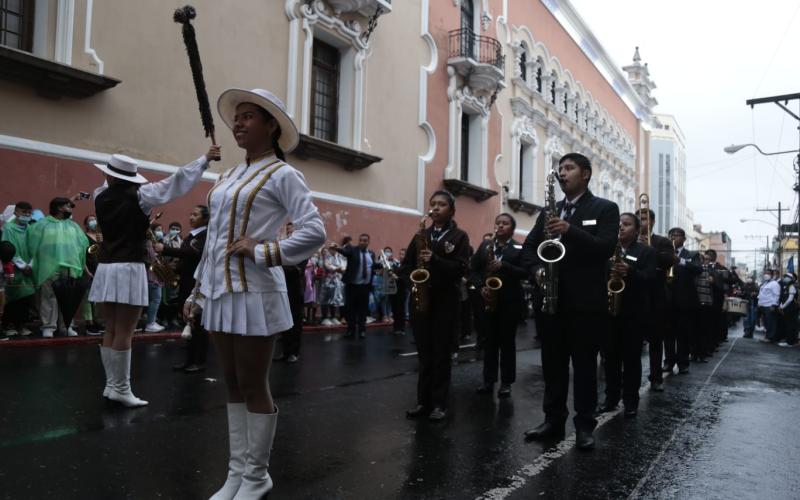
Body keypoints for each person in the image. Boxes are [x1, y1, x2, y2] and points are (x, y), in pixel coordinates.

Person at [190, 88, 325, 499]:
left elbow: (314, 230)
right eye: (238, 117)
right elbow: (213, 237)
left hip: (255, 291)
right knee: (230, 381)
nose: (240, 123)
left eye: (250, 116)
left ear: (271, 126)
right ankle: (236, 474)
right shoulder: (228, 175)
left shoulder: (284, 174)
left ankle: (256, 476)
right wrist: (197, 288)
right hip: (219, 291)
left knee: (253, 383)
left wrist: (264, 250)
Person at [90, 149, 217, 407]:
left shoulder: (99, 196)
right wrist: (204, 160)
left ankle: (111, 386)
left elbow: (109, 182)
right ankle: (121, 389)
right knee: (125, 331)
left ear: (110, 175)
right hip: (130, 266)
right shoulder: (142, 197)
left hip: (106, 267)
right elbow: (176, 182)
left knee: (111, 329)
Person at [520, 153, 619, 450]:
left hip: (585, 303)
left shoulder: (604, 208)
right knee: (553, 365)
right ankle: (552, 421)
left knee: (585, 366)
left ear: (585, 174)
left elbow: (604, 248)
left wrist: (570, 230)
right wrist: (536, 270)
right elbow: (528, 249)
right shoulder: (548, 212)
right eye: (560, 169)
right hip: (551, 301)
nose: (563, 173)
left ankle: (585, 425)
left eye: (569, 168)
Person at [402, 190, 469, 421]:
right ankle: (423, 402)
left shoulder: (459, 236)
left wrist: (436, 260)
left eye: (441, 204)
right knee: (424, 355)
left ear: (451, 210)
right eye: (433, 204)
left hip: (445, 303)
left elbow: (461, 268)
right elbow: (406, 266)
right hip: (422, 301)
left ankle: (439, 404)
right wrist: (412, 278)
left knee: (441, 354)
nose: (436, 208)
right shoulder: (421, 235)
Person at [599, 213, 655, 417]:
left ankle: (630, 401)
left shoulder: (646, 252)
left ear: (637, 230)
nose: (621, 227)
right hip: (609, 311)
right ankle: (611, 398)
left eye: (627, 224)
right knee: (609, 358)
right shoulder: (607, 249)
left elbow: (650, 278)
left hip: (633, 313)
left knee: (631, 359)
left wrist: (630, 271)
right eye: (619, 223)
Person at [471, 213, 527, 398]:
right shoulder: (486, 245)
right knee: (489, 342)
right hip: (488, 298)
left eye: (505, 223)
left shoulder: (519, 247)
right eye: (498, 223)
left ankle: (506, 383)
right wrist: (480, 288)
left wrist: (504, 266)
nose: (500, 226)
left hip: (510, 301)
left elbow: (525, 272)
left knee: (507, 343)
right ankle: (488, 380)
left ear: (512, 228)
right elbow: (474, 270)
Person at [27, 197, 90, 338]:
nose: (70, 209)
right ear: (60, 208)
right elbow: (32, 244)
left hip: (70, 267)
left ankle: (67, 325)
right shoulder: (42, 225)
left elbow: (82, 245)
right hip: (49, 267)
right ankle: (48, 327)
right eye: (68, 206)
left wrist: (81, 265)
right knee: (49, 296)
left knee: (68, 297)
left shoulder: (73, 226)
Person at [157, 205, 209, 372]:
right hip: (185, 283)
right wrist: (171, 271)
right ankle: (189, 359)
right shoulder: (192, 235)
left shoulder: (205, 235)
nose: (191, 217)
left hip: (197, 283)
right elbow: (185, 259)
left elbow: (191, 253)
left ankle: (198, 361)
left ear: (205, 219)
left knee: (198, 324)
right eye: (191, 214)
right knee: (188, 321)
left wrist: (165, 248)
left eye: (195, 214)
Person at [638, 208, 674, 392]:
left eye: (644, 218)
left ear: (652, 222)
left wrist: (650, 249)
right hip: (635, 296)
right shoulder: (629, 240)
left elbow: (669, 261)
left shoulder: (663, 241)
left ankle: (656, 377)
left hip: (655, 297)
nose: (641, 222)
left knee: (655, 341)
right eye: (639, 218)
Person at [663, 227, 701, 375]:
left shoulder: (692, 254)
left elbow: (698, 269)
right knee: (668, 334)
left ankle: (683, 363)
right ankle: (668, 362)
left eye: (676, 235)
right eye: (670, 234)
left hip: (685, 301)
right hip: (667, 299)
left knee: (683, 334)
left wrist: (681, 261)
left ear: (684, 239)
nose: (673, 237)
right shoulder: (664, 253)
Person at [333, 233, 378, 338]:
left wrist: (381, 264)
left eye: (365, 240)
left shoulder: (371, 254)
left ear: (368, 242)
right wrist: (337, 249)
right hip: (352, 286)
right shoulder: (353, 250)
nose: (362, 242)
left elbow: (372, 266)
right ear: (359, 241)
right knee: (351, 310)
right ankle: (350, 331)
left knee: (363, 311)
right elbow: (345, 252)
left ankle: (362, 331)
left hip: (365, 286)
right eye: (361, 240)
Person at [1, 202, 35, 337]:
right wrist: (22, 265)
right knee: (13, 297)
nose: (26, 215)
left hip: (29, 268)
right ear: (16, 212)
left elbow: (35, 248)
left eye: (29, 212)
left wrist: (31, 265)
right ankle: (8, 324)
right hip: (14, 268)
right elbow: (7, 248)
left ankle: (22, 325)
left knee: (26, 298)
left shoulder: (31, 228)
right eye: (23, 212)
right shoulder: (8, 229)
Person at [82, 214, 104, 335]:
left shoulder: (100, 237)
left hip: (100, 270)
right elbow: (82, 256)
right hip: (89, 270)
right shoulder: (84, 237)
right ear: (85, 225)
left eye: (94, 220)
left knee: (97, 298)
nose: (93, 222)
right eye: (90, 220)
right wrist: (86, 271)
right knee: (87, 297)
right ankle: (89, 323)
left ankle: (96, 320)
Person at [144, 223, 166, 333]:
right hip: (152, 275)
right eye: (157, 229)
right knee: (156, 299)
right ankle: (150, 323)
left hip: (152, 275)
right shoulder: (148, 243)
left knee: (152, 299)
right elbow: (152, 259)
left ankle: (151, 321)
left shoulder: (153, 243)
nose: (159, 232)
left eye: (161, 229)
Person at [319, 245, 346, 326]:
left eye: (335, 249)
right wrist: (337, 269)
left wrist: (340, 269)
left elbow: (344, 267)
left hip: (337, 282)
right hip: (327, 281)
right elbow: (328, 266)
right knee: (325, 299)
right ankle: (324, 318)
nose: (334, 250)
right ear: (330, 249)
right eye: (332, 249)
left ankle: (333, 317)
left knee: (335, 299)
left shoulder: (340, 257)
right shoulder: (326, 257)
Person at [757, 270, 781, 343]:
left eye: (768, 273)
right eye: (765, 273)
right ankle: (767, 336)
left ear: (772, 275)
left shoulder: (774, 284)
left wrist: (774, 305)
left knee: (771, 322)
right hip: (763, 305)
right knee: (766, 322)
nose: (766, 275)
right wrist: (759, 303)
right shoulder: (765, 283)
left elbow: (776, 295)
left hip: (769, 305)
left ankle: (770, 337)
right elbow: (762, 294)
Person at [777, 272, 798, 346]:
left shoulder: (792, 286)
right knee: (787, 324)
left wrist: (782, 306)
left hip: (791, 308)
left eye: (786, 277)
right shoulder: (786, 286)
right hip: (787, 308)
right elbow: (784, 297)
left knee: (790, 325)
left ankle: (790, 342)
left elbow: (790, 299)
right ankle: (788, 340)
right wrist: (781, 305)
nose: (785, 278)